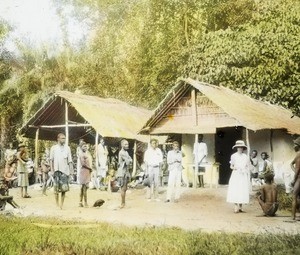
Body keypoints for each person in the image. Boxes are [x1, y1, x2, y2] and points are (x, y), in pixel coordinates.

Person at [50, 133, 73, 209]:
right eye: (62, 138)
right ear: (58, 139)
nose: (64, 140)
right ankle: (56, 204)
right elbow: (51, 160)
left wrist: (71, 172)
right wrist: (52, 170)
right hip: (56, 171)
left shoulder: (67, 148)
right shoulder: (54, 148)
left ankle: (61, 205)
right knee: (56, 190)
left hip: (65, 171)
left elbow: (70, 161)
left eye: (64, 138)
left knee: (64, 189)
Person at [226, 140, 250, 213]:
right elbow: (231, 166)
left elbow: (247, 166)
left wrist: (245, 170)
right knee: (236, 189)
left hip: (243, 175)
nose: (240, 149)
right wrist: (235, 168)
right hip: (236, 174)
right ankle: (236, 206)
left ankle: (241, 206)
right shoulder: (233, 156)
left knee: (242, 189)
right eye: (238, 147)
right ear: (236, 148)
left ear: (243, 148)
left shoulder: (245, 156)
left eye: (241, 147)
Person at [116, 139, 132, 208]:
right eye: (125, 144)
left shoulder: (126, 152)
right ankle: (122, 204)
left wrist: (129, 160)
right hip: (122, 172)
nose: (127, 145)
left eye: (127, 144)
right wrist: (129, 160)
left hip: (125, 172)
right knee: (123, 188)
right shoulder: (122, 152)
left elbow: (130, 160)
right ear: (122, 145)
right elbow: (129, 161)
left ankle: (123, 203)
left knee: (125, 188)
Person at [78, 142, 92, 207]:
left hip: (86, 171)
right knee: (84, 188)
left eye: (86, 146)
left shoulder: (86, 154)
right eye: (84, 146)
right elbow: (83, 164)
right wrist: (90, 168)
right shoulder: (81, 154)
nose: (85, 148)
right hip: (84, 171)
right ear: (81, 147)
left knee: (83, 188)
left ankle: (80, 202)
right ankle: (85, 202)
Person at [291, 137, 300, 220]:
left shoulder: (298, 154)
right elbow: (292, 164)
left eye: (295, 144)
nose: (293, 146)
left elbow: (297, 169)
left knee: (294, 196)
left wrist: (294, 179)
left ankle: (293, 216)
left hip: (299, 178)